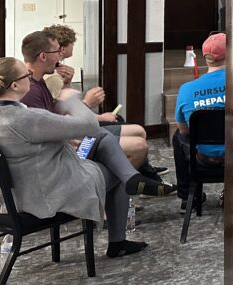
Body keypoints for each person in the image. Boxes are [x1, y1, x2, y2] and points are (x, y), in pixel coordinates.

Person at [0, 58, 173, 258]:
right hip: (39, 198)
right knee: (115, 168)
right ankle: (118, 237)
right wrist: (72, 101)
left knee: (102, 139)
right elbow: (89, 125)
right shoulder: (25, 118)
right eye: (26, 75)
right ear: (14, 85)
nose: (30, 77)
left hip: (3, 202)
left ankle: (132, 179)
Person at [19, 30, 159, 176]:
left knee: (138, 131)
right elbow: (49, 133)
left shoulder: (38, 81)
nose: (59, 55)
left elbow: (55, 115)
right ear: (43, 56)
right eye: (56, 51)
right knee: (138, 146)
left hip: (68, 138)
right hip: (64, 151)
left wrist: (67, 89)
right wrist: (85, 104)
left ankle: (134, 178)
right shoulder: (31, 90)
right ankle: (112, 183)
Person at [172, 33, 228, 210]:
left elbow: (184, 131)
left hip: (205, 158)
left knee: (177, 137)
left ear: (205, 57)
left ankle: (188, 196)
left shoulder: (187, 90)